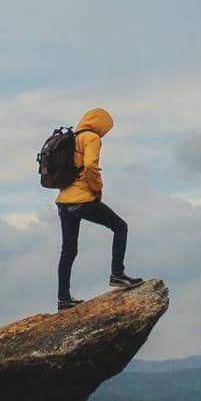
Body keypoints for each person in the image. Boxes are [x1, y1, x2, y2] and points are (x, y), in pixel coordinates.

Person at [56, 107, 143, 309]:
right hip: (82, 199)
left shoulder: (72, 139)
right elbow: (90, 166)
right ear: (100, 124)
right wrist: (97, 188)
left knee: (68, 251)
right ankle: (117, 274)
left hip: (63, 201)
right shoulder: (92, 138)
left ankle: (63, 299)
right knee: (120, 227)